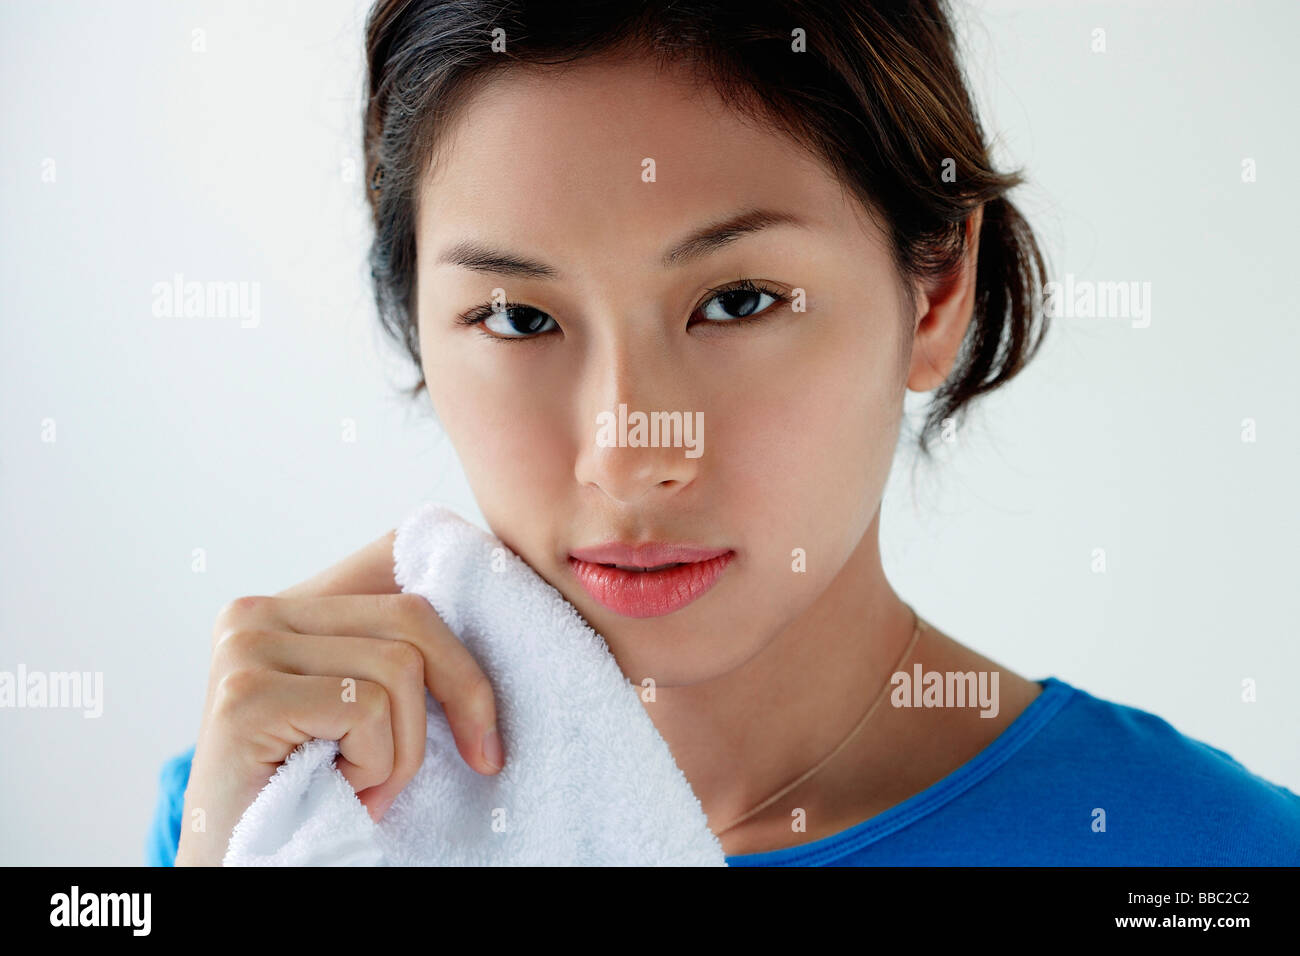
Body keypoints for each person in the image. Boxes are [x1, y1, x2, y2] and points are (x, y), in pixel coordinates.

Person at [148, 0, 1300, 866]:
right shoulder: (276, 811)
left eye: (737, 300)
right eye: (516, 316)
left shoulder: (1206, 856)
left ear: (937, 292)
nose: (628, 448)